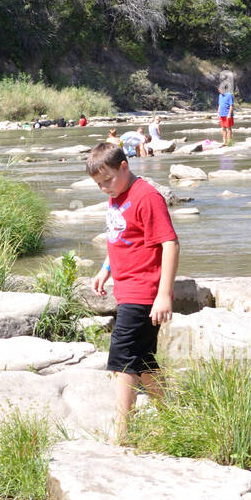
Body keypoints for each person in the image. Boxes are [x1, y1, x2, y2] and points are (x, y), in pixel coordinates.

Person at [86, 142, 179, 443]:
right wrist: (105, 269)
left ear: (124, 167)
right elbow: (120, 238)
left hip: (144, 292)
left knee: (122, 357)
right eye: (99, 185)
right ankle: (177, 417)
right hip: (126, 288)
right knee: (144, 363)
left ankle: (122, 432)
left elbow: (170, 244)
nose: (104, 189)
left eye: (107, 180)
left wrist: (164, 294)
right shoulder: (117, 194)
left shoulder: (146, 196)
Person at [217, 71, 235, 148]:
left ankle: (229, 141)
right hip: (222, 114)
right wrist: (218, 112)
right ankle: (224, 142)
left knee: (229, 128)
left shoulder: (229, 95)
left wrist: (229, 114)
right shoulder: (220, 95)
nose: (219, 91)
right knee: (223, 128)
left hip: (228, 114)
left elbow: (231, 105)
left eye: (219, 89)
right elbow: (220, 105)